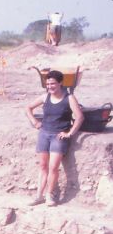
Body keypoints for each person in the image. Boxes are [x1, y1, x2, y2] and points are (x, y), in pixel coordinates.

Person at [24, 70, 83, 206]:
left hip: (58, 136)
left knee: (53, 167)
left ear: (61, 83)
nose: (50, 86)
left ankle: (50, 196)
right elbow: (28, 108)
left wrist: (70, 133)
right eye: (48, 84)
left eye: (53, 83)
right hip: (44, 134)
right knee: (43, 166)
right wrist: (34, 122)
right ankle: (39, 196)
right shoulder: (45, 97)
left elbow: (80, 117)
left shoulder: (69, 98)